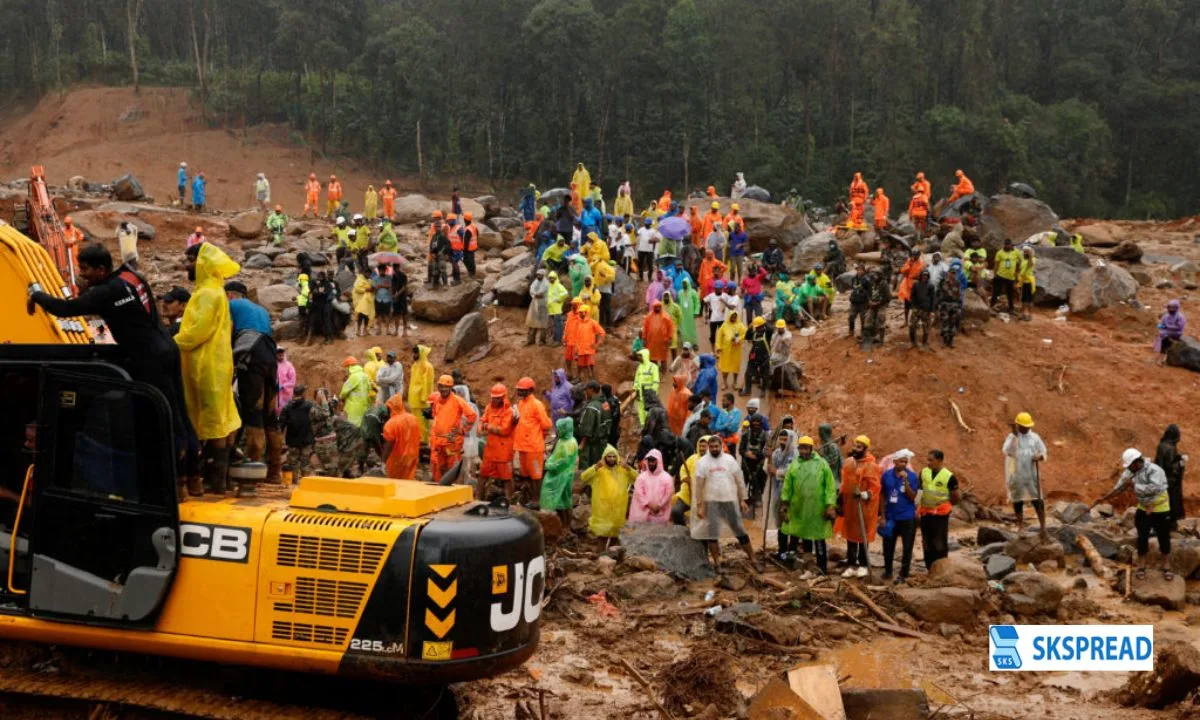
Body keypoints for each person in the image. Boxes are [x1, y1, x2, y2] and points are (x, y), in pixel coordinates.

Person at [28, 243, 195, 495]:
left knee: (158, 418)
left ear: (101, 268)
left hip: (147, 358)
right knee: (179, 411)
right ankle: (193, 479)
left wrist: (37, 295)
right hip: (167, 349)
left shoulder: (105, 292)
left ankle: (171, 488)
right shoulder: (131, 275)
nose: (82, 274)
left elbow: (65, 310)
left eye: (85, 269)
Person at [175, 243, 242, 496]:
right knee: (222, 421)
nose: (187, 265)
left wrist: (171, 344)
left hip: (205, 365)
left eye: (191, 259)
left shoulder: (206, 294)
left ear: (203, 263)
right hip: (220, 363)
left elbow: (196, 332)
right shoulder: (218, 291)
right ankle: (220, 482)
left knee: (210, 421)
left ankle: (212, 481)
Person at [1094, 448, 1174, 579]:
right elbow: (1119, 487)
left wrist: (1135, 486)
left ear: (1137, 462)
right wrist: (1105, 498)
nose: (1128, 469)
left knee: (1163, 537)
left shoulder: (1155, 470)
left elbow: (1155, 487)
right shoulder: (1130, 472)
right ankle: (1141, 566)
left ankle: (1166, 567)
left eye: (1130, 465)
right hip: (1143, 508)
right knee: (1142, 537)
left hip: (1160, 508)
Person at [693, 436, 762, 571]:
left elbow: (739, 480)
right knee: (712, 532)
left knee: (739, 529)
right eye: (711, 447)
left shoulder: (729, 460)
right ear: (708, 447)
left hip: (729, 500)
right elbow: (699, 486)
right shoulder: (702, 462)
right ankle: (717, 563)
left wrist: (742, 499)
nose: (714, 449)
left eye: (716, 446)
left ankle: (753, 559)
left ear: (721, 446)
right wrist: (699, 506)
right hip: (711, 501)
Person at [778, 436, 838, 574]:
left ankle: (822, 568)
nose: (803, 450)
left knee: (818, 538)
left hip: (818, 509)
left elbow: (830, 486)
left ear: (811, 449)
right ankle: (808, 566)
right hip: (800, 509)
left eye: (806, 447)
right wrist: (784, 504)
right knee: (805, 538)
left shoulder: (822, 464)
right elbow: (787, 486)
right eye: (801, 447)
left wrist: (830, 505)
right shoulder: (795, 464)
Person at [835, 436, 881, 578]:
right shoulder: (849, 463)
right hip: (850, 505)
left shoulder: (872, 466)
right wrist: (840, 500)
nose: (855, 449)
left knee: (863, 536)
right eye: (855, 446)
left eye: (859, 447)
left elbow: (876, 487)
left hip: (865, 506)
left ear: (865, 449)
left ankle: (862, 565)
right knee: (850, 535)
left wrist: (865, 494)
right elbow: (844, 483)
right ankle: (851, 564)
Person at [1003, 412, 1048, 536]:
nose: (1025, 428)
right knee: (1018, 500)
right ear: (1018, 426)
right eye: (1022, 426)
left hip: (1031, 473)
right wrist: (1014, 435)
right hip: (1016, 474)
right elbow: (1008, 451)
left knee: (1037, 499)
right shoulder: (1011, 438)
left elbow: (1043, 451)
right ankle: (1021, 526)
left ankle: (1043, 527)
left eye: (1027, 426)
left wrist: (1040, 456)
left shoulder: (1035, 437)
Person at [426, 374, 477, 483]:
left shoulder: (457, 400)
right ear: (438, 387)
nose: (444, 389)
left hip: (452, 441)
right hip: (439, 441)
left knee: (453, 469)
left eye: (446, 387)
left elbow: (472, 416)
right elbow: (437, 418)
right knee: (438, 468)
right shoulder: (436, 400)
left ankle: (454, 493)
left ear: (450, 388)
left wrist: (463, 430)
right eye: (442, 386)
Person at [879, 449, 919, 583]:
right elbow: (883, 496)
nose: (904, 464)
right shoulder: (886, 476)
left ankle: (904, 573)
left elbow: (913, 496)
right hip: (891, 516)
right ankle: (888, 571)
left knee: (907, 547)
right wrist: (882, 516)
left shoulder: (912, 476)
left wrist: (905, 481)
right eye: (901, 461)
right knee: (888, 545)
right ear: (894, 461)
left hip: (907, 517)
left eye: (906, 462)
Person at [917, 449, 960, 569]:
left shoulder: (949, 476)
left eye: (931, 460)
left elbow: (956, 497)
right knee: (927, 542)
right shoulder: (923, 472)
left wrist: (945, 504)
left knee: (939, 543)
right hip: (926, 513)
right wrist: (916, 507)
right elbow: (920, 491)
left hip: (940, 515)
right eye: (928, 460)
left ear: (940, 461)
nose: (928, 462)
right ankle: (929, 568)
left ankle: (941, 569)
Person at [477, 384, 517, 500]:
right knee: (483, 474)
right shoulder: (489, 408)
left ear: (503, 397)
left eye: (498, 397)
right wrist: (480, 426)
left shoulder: (509, 411)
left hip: (503, 451)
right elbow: (482, 420)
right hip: (490, 449)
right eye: (494, 397)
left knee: (507, 478)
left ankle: (510, 501)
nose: (495, 399)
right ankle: (478, 499)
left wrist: (487, 427)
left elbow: (504, 430)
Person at [540, 417, 579, 529]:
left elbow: (563, 462)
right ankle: (562, 525)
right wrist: (549, 462)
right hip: (557, 473)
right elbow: (555, 455)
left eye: (560, 428)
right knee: (562, 501)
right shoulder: (562, 440)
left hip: (563, 474)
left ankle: (566, 526)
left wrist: (549, 465)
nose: (558, 430)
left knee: (565, 501)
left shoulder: (570, 443)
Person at [280, 385, 314, 484]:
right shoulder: (309, 406)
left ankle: (294, 482)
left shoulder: (287, 407)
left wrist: (281, 439)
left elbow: (281, 423)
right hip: (306, 439)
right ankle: (305, 482)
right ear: (303, 394)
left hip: (292, 440)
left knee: (293, 463)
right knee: (305, 463)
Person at [630, 449, 674, 525]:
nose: (651, 463)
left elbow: (668, 494)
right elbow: (639, 494)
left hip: (661, 512)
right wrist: (649, 505)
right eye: (649, 461)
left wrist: (659, 506)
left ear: (659, 461)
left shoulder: (667, 478)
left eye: (653, 461)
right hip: (642, 513)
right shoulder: (641, 477)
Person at [576, 381, 612, 469]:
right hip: (603, 442)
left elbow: (588, 428)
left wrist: (581, 444)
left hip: (592, 446)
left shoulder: (592, 406)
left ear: (591, 390)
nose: (585, 392)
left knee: (590, 470)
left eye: (586, 390)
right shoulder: (605, 404)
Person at [1155, 425, 1186, 526]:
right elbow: (1170, 467)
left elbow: (1161, 462)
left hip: (1159, 479)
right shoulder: (1170, 448)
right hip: (1170, 482)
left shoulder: (1161, 445)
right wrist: (1181, 464)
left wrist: (1178, 457)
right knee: (1172, 502)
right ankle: (1169, 524)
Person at [739, 414, 770, 517]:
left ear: (761, 424)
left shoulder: (765, 436)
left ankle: (757, 501)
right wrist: (746, 454)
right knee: (742, 485)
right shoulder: (745, 435)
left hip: (759, 466)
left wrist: (756, 455)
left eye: (758, 424)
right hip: (746, 465)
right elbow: (740, 450)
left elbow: (766, 452)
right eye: (754, 424)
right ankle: (741, 504)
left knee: (759, 484)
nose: (756, 426)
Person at [715, 310, 746, 390]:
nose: (733, 318)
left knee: (735, 367)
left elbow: (745, 334)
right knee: (725, 367)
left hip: (736, 351)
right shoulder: (724, 325)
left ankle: (735, 382)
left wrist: (739, 339)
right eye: (732, 317)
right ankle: (724, 382)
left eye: (735, 317)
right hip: (726, 351)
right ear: (729, 317)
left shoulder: (740, 325)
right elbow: (719, 336)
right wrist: (718, 347)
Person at [642, 300, 676, 370]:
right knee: (652, 357)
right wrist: (644, 338)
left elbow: (671, 327)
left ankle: (663, 370)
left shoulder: (666, 316)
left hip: (663, 342)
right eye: (656, 307)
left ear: (661, 307)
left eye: (658, 307)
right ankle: (654, 370)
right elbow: (645, 328)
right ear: (653, 307)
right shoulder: (649, 317)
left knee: (663, 357)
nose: (657, 308)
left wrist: (670, 338)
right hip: (652, 342)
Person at [743, 316, 772, 396]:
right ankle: (747, 391)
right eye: (756, 327)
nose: (756, 328)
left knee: (765, 375)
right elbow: (747, 337)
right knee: (748, 373)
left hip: (764, 357)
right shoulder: (754, 333)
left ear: (762, 326)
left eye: (757, 327)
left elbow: (771, 328)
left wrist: (764, 321)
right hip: (754, 356)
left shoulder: (767, 333)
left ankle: (763, 391)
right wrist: (750, 327)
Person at [339, 357, 371, 427]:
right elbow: (369, 388)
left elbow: (344, 392)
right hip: (364, 406)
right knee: (361, 424)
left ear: (349, 367)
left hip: (353, 408)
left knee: (353, 426)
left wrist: (341, 397)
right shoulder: (364, 375)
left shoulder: (353, 377)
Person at [991, 238, 1020, 313]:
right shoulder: (999, 252)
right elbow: (996, 265)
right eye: (1005, 244)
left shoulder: (1016, 252)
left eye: (1008, 244)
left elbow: (1020, 261)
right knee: (996, 292)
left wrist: (1017, 271)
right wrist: (994, 275)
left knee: (1010, 293)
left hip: (1011, 277)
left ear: (1011, 244)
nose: (1007, 246)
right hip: (1000, 275)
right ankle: (992, 306)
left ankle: (1011, 309)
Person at [632, 348, 660, 426]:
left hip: (649, 395)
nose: (639, 358)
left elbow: (656, 382)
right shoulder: (639, 367)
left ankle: (650, 428)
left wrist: (652, 393)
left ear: (645, 356)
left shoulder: (653, 367)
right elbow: (636, 380)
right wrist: (635, 389)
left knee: (649, 412)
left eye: (640, 356)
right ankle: (643, 427)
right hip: (641, 394)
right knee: (641, 411)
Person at [938, 265, 964, 347]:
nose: (952, 274)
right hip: (945, 304)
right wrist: (938, 304)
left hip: (954, 305)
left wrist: (959, 305)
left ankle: (950, 341)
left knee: (952, 323)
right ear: (948, 273)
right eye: (951, 273)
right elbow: (939, 293)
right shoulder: (943, 282)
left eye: (954, 273)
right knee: (945, 322)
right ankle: (944, 341)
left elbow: (960, 294)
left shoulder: (957, 283)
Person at [908, 269, 935, 349]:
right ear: (920, 276)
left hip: (926, 310)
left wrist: (932, 311)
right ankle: (913, 342)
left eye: (926, 276)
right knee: (912, 326)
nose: (924, 277)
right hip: (916, 308)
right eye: (923, 275)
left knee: (926, 328)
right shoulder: (916, 284)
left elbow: (933, 299)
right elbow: (912, 296)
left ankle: (924, 343)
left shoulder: (931, 286)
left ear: (928, 277)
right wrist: (912, 307)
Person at [897, 248, 924, 327]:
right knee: (907, 304)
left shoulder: (921, 263)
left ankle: (916, 322)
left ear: (919, 255)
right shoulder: (909, 261)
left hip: (917, 284)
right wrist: (909, 264)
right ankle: (905, 322)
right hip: (908, 284)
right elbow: (903, 271)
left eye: (916, 255)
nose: (915, 256)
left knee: (916, 304)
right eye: (914, 255)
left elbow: (920, 272)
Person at [865, 267, 890, 347]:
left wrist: (878, 303)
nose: (874, 276)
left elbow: (887, 297)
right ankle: (868, 339)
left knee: (880, 320)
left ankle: (881, 341)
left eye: (876, 274)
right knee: (868, 319)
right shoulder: (871, 282)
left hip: (881, 305)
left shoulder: (884, 284)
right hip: (872, 304)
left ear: (880, 275)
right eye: (873, 274)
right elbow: (868, 293)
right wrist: (869, 301)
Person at [525, 268, 551, 345]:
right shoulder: (535, 282)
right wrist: (535, 294)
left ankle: (542, 341)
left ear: (543, 275)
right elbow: (531, 290)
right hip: (534, 304)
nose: (538, 276)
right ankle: (530, 340)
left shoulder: (546, 284)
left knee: (543, 323)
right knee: (532, 322)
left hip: (543, 305)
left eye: (539, 275)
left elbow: (541, 293)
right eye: (537, 274)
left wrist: (535, 294)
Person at [546, 271, 570, 344]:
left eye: (552, 278)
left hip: (557, 309)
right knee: (552, 326)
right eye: (550, 278)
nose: (551, 279)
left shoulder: (558, 285)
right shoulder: (549, 286)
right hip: (550, 309)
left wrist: (559, 299)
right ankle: (553, 339)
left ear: (555, 278)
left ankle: (558, 340)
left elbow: (565, 293)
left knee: (557, 326)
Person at [352, 270, 375, 337]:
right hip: (360, 301)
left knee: (367, 316)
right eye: (367, 273)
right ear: (364, 272)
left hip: (368, 301)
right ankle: (358, 330)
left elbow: (372, 290)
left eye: (369, 273)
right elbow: (357, 288)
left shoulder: (370, 281)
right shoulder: (359, 279)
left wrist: (372, 289)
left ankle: (365, 330)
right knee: (360, 315)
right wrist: (366, 289)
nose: (368, 274)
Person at [1017, 245, 1036, 321]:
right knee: (1023, 299)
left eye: (1027, 252)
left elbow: (1029, 265)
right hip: (1023, 281)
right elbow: (1020, 269)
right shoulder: (1022, 260)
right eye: (1025, 252)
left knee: (1030, 300)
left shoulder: (1033, 259)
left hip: (1029, 282)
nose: (1026, 253)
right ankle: (1023, 313)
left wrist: (1030, 255)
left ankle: (1030, 314)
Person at [275, 347, 296, 414]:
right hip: (277, 392)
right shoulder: (274, 364)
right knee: (277, 409)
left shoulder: (289, 365)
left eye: (282, 354)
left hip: (287, 392)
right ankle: (278, 421)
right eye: (279, 354)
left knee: (286, 409)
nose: (280, 356)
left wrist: (283, 386)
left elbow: (293, 381)